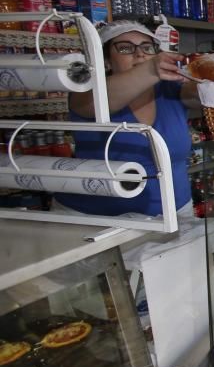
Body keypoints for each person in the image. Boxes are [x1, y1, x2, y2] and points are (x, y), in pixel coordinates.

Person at [54, 20, 198, 218]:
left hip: (174, 215)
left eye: (147, 47)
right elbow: (99, 99)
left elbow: (202, 92)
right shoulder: (87, 92)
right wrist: (151, 69)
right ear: (106, 61)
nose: (140, 54)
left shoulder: (171, 91)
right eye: (125, 48)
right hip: (98, 221)